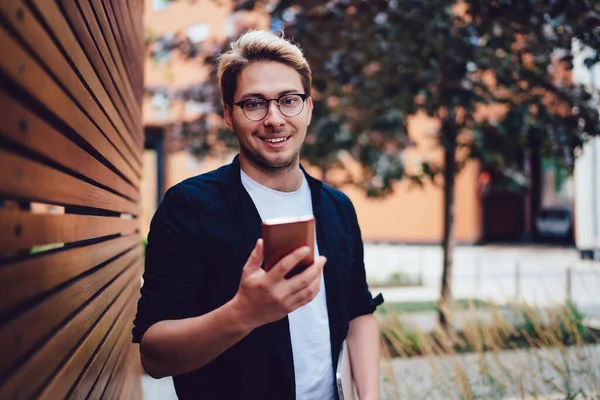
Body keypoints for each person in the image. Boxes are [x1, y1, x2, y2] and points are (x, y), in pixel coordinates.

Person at [132, 30, 383, 400]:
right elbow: (153, 355)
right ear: (229, 117)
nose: (274, 118)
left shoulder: (337, 208)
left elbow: (359, 313)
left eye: (288, 100)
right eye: (253, 103)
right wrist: (242, 314)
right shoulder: (188, 207)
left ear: (309, 109)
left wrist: (370, 396)